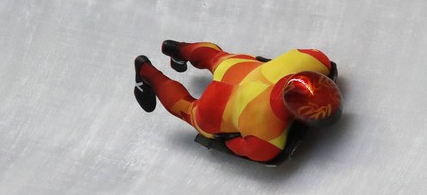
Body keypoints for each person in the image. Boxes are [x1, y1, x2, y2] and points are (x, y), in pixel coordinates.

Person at [133, 40, 342, 164]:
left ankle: (179, 49)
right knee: (188, 109)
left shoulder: (315, 60)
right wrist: (230, 133)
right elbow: (236, 145)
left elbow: (316, 58)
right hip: (218, 106)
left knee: (218, 58)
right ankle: (146, 72)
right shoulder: (268, 140)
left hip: (241, 69)